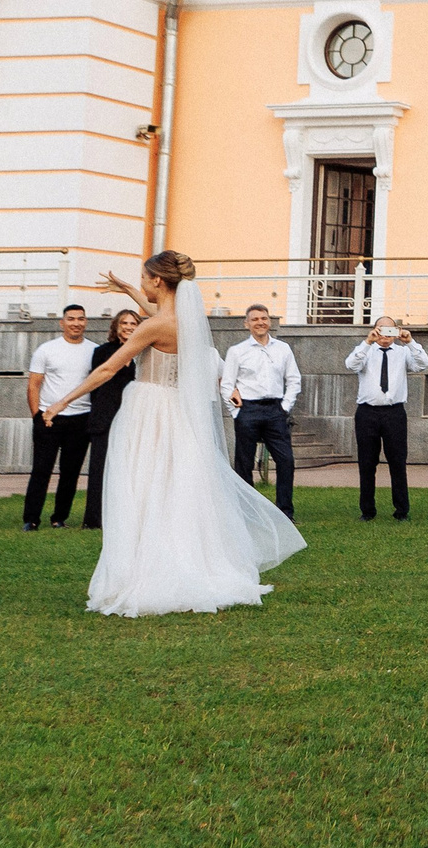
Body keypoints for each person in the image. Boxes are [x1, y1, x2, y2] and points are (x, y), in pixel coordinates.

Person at [37, 251, 306, 616]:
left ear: (158, 281)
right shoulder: (183, 321)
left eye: (144, 279)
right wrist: (128, 289)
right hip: (177, 411)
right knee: (175, 489)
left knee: (145, 489)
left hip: (150, 410)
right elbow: (155, 312)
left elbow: (108, 370)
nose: (143, 284)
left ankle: (149, 573)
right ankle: (186, 563)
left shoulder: (153, 326)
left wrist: (61, 401)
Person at [219, 304, 302, 520]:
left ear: (269, 321)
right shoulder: (237, 351)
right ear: (246, 324)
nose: (260, 322)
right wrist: (236, 412)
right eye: (255, 319)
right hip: (248, 410)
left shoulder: (283, 349)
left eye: (263, 318)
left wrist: (284, 407)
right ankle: (248, 512)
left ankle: (285, 512)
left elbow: (294, 380)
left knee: (286, 461)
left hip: (275, 410)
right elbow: (227, 385)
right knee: (244, 464)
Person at [346, 317, 428, 523]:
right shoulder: (365, 350)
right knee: (367, 463)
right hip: (367, 413)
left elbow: (423, 364)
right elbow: (351, 365)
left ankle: (401, 510)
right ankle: (367, 510)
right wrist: (368, 342)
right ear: (375, 330)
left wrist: (410, 342)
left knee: (397, 461)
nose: (385, 335)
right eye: (381, 330)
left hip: (394, 413)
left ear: (396, 331)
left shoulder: (403, 352)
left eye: (390, 331)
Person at [23, 304, 97, 531]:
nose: (76, 323)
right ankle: (31, 519)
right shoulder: (46, 350)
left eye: (80, 319)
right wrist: (37, 416)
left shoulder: (95, 351)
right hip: (49, 418)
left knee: (70, 472)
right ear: (62, 322)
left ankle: (59, 518)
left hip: (81, 418)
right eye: (71, 319)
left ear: (86, 322)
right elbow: (34, 385)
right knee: (41, 470)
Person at [80, 308, 140, 532]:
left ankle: (124, 516)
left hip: (134, 417)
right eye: (124, 323)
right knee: (100, 468)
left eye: (133, 323)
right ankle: (93, 519)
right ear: (116, 327)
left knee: (129, 469)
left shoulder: (145, 353)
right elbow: (96, 385)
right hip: (105, 417)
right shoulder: (102, 352)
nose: (128, 327)